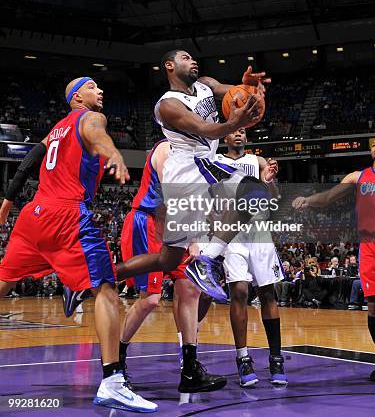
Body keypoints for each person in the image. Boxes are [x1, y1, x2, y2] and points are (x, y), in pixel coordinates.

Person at [0, 77, 157, 413]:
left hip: (32, 215)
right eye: (92, 87)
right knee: (106, 288)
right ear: (76, 98)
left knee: (3, 283)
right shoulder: (89, 117)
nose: (100, 91)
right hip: (66, 214)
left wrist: (7, 201)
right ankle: (113, 381)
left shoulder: (54, 130)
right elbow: (97, 134)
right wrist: (113, 152)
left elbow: (28, 161)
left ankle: (75, 282)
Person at [113, 51, 272, 302]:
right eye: (186, 58)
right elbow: (205, 129)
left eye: (193, 58)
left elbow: (231, 92)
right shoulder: (168, 105)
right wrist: (233, 124)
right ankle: (206, 261)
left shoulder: (205, 85)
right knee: (253, 191)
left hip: (196, 171)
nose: (193, 60)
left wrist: (248, 87)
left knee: (168, 259)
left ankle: (100, 277)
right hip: (190, 168)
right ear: (169, 65)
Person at [293, 136, 375, 381]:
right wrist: (308, 200)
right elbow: (329, 196)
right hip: (370, 246)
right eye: (374, 143)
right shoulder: (357, 177)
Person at [119, 139, 226, 393]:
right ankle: (115, 362)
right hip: (149, 223)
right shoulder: (167, 149)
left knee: (190, 288)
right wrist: (192, 241)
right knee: (150, 299)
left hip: (176, 228)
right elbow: (171, 201)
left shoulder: (197, 156)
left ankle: (190, 370)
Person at [214, 128, 287, 387]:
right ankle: (243, 359)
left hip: (258, 231)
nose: (238, 135)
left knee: (268, 293)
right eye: (233, 131)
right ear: (225, 137)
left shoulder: (258, 161)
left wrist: (269, 180)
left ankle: (276, 358)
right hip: (232, 235)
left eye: (243, 131)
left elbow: (275, 198)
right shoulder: (215, 161)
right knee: (239, 293)